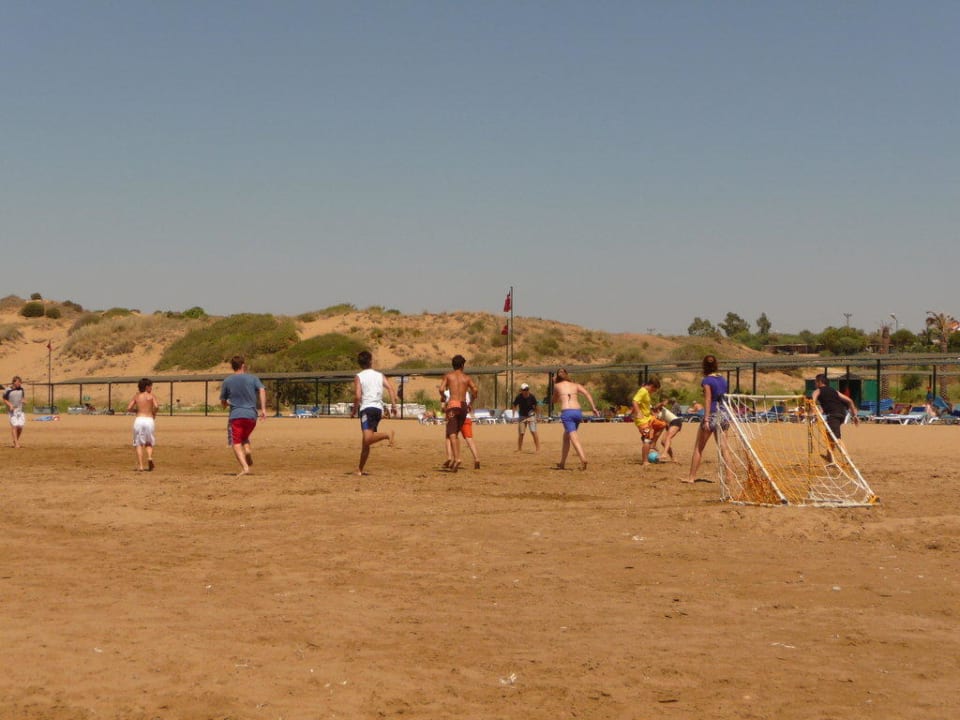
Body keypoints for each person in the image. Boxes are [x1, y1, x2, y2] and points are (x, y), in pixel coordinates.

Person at [352, 350, 398, 476]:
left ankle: (387, 434)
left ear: (359, 363)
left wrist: (354, 409)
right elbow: (391, 389)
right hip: (378, 410)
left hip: (367, 409)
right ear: (371, 361)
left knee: (367, 439)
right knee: (366, 442)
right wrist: (394, 406)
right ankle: (360, 469)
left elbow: (357, 396)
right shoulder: (379, 375)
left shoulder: (359, 377)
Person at [683, 355, 729, 484]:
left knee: (699, 447)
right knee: (724, 448)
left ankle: (691, 477)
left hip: (713, 413)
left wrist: (707, 419)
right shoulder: (723, 380)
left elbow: (708, 399)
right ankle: (729, 477)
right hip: (724, 414)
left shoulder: (707, 381)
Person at [219, 355, 267, 476]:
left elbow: (223, 401)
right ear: (243, 365)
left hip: (236, 416)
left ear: (232, 367)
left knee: (235, 442)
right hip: (251, 416)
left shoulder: (228, 381)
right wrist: (264, 409)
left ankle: (245, 467)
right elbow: (262, 390)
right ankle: (248, 450)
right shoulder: (253, 378)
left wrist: (226, 404)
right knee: (244, 437)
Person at [551, 368, 599, 470]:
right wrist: (593, 407)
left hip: (567, 412)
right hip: (577, 412)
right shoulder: (575, 385)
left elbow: (554, 401)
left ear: (557, 376)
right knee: (566, 436)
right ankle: (562, 463)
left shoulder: (557, 386)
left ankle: (583, 459)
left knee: (573, 437)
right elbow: (587, 394)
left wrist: (555, 385)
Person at [438, 355, 479, 472]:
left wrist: (443, 397)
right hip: (463, 406)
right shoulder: (466, 378)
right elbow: (475, 390)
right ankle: (456, 459)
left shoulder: (448, 376)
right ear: (462, 365)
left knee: (451, 433)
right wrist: (471, 401)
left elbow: (441, 389)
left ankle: (457, 458)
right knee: (455, 433)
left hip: (453, 405)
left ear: (453, 365)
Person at [812, 374, 859, 463]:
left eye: (815, 381)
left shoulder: (817, 391)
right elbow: (850, 401)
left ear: (819, 382)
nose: (815, 383)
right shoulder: (835, 391)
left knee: (836, 437)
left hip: (833, 415)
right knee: (829, 435)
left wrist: (814, 414)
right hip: (842, 414)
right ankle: (830, 457)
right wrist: (854, 416)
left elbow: (812, 403)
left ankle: (848, 458)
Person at [632, 378, 667, 466]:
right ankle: (645, 461)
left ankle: (653, 444)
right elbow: (635, 401)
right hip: (642, 420)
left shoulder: (646, 393)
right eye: (655, 389)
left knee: (662, 425)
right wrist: (638, 412)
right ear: (652, 386)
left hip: (649, 418)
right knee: (647, 439)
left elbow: (645, 406)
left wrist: (652, 413)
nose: (654, 392)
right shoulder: (643, 391)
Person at [127, 377, 159, 471]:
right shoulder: (151, 396)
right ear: (146, 387)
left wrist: (136, 410)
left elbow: (129, 408)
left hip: (139, 419)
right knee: (149, 442)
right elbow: (156, 406)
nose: (151, 388)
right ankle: (149, 457)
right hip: (149, 420)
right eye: (150, 386)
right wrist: (153, 413)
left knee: (138, 443)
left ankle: (141, 466)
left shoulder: (137, 396)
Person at [442, 389, 480, 469]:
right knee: (469, 439)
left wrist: (445, 408)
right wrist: (470, 404)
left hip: (454, 417)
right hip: (467, 417)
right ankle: (476, 458)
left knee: (449, 437)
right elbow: (474, 394)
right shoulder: (466, 393)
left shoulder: (448, 392)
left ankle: (450, 457)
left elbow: (443, 406)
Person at [512, 383, 541, 452]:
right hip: (522, 416)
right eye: (524, 390)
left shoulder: (532, 397)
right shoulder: (519, 397)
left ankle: (538, 448)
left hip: (531, 415)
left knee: (533, 431)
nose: (526, 391)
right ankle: (519, 448)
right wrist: (513, 416)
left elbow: (536, 407)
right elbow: (514, 405)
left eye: (527, 389)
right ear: (521, 390)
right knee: (521, 433)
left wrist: (538, 416)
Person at [3, 375, 26, 448]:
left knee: (20, 427)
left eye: (20, 382)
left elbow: (22, 397)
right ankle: (16, 443)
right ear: (13, 382)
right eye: (18, 382)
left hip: (20, 410)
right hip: (12, 411)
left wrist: (23, 401)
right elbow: (4, 399)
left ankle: (15, 440)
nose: (20, 384)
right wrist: (10, 405)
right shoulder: (8, 390)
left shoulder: (21, 389)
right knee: (14, 426)